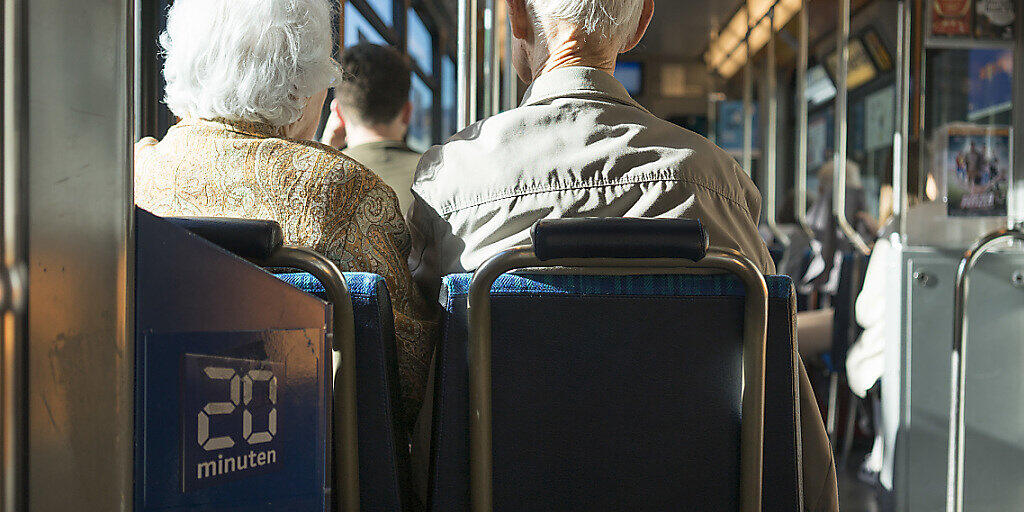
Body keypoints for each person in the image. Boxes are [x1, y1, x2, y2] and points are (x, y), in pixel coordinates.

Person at [407, 0, 838, 510]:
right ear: (640, 22)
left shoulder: (451, 180)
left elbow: (414, 393)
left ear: (517, 16)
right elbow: (786, 414)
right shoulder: (718, 185)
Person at [133, 0, 436, 434]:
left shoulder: (134, 172)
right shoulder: (347, 192)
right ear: (304, 81)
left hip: (149, 441)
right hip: (303, 458)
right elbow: (407, 380)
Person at [321, 43, 421, 214]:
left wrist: (325, 148)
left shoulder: (321, 176)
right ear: (407, 112)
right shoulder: (437, 174)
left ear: (337, 111)